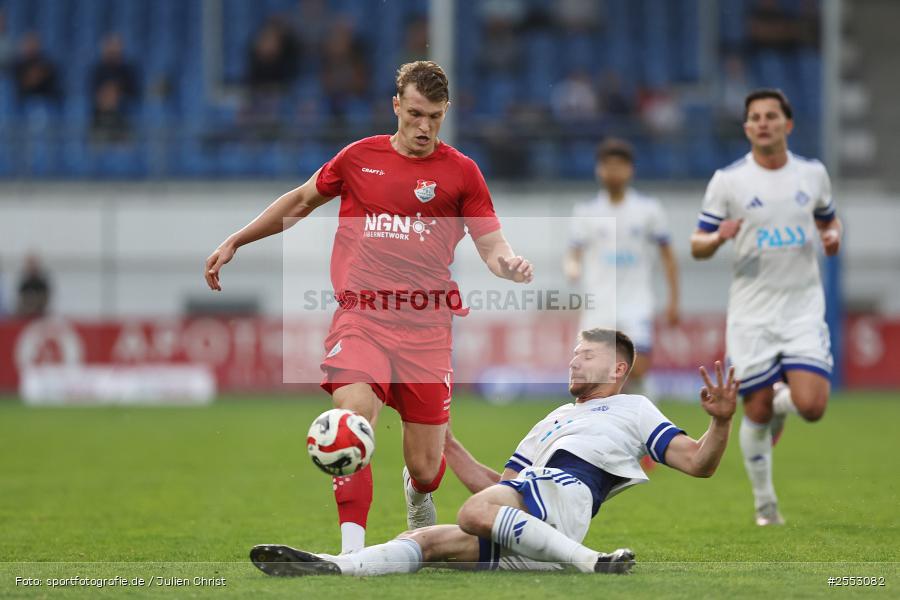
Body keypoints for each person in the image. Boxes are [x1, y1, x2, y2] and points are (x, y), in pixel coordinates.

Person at [205, 61, 534, 554]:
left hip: (427, 330)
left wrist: (507, 264)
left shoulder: (461, 172)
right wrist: (237, 239)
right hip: (362, 319)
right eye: (416, 114)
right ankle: (352, 552)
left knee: (426, 468)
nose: (424, 127)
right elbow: (299, 201)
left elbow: (491, 243)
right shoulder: (360, 158)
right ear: (396, 105)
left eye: (435, 118)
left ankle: (416, 490)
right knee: (350, 422)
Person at [247, 329, 738, 576]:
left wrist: (720, 421)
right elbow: (498, 488)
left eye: (586, 355)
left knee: (472, 512)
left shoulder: (634, 408)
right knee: (429, 541)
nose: (573, 359)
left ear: (619, 369)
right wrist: (448, 441)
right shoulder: (552, 419)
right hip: (533, 518)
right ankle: (333, 565)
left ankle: (592, 562)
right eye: (573, 352)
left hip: (567, 498)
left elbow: (698, 463)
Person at [690, 89, 842, 526]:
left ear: (787, 124)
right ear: (746, 127)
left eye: (771, 116)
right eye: (754, 117)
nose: (762, 123)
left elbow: (829, 220)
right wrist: (719, 237)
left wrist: (833, 236)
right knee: (754, 411)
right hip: (751, 314)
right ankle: (765, 506)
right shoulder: (729, 181)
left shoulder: (813, 175)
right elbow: (697, 244)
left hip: (802, 309)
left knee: (812, 407)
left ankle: (779, 399)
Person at [565, 138, 680, 395]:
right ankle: (616, 425)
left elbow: (668, 256)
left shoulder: (648, 210)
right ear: (599, 170)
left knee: (636, 368)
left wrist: (673, 300)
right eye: (608, 166)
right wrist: (572, 267)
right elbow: (573, 253)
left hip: (635, 302)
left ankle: (643, 418)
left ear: (630, 169)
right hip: (599, 305)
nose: (613, 172)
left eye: (619, 166)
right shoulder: (586, 212)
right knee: (591, 376)